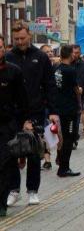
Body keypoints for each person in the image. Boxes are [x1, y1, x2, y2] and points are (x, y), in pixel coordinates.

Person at [5, 21, 59, 207]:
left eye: (22, 38)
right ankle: (13, 189)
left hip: (36, 110)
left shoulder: (41, 57)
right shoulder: (8, 57)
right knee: (10, 151)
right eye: (16, 38)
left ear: (29, 36)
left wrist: (53, 111)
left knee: (33, 151)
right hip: (12, 112)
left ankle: (33, 190)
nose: (20, 41)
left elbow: (50, 84)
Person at [0, 40, 36, 217]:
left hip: (7, 125)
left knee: (4, 164)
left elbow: (23, 100)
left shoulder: (13, 71)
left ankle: (1, 203)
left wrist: (25, 121)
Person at [55, 45, 82, 177]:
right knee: (68, 138)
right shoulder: (70, 70)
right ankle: (64, 167)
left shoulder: (57, 69)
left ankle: (60, 161)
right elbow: (76, 89)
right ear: (71, 54)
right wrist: (80, 95)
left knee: (62, 137)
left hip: (59, 107)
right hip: (69, 109)